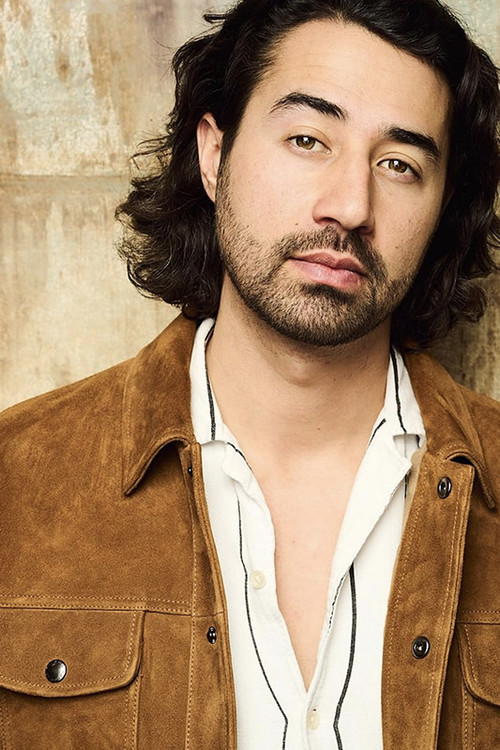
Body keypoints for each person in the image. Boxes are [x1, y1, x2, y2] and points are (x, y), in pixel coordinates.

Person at [0, 0, 499, 748]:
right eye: (307, 139)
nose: (350, 206)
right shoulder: (16, 484)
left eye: (399, 164)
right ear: (214, 154)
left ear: (441, 207)